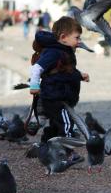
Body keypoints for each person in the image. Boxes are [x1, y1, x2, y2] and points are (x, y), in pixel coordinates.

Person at [29, 17, 90, 158]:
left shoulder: (64, 50)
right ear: (63, 37)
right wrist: (34, 85)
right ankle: (67, 152)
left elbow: (65, 70)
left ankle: (44, 147)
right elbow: (37, 68)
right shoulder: (54, 52)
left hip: (58, 95)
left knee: (56, 125)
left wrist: (80, 74)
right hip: (55, 97)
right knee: (67, 122)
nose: (79, 41)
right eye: (77, 37)